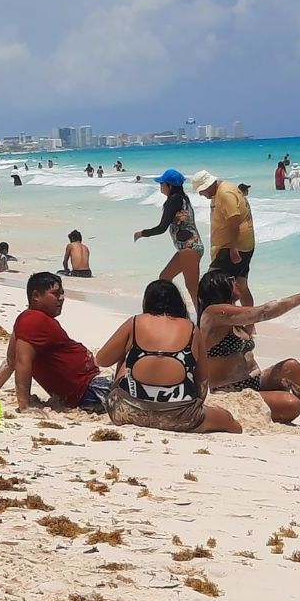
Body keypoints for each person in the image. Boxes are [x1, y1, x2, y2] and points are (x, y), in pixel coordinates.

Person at [196, 272, 300, 434]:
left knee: (291, 367)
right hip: (230, 392)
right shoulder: (213, 314)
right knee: (292, 405)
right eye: (231, 280)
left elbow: (258, 313)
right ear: (218, 287)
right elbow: (263, 312)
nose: (235, 282)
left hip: (255, 382)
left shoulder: (234, 318)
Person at [95, 280, 241, 434]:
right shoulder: (191, 329)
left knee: (126, 355)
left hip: (126, 412)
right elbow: (203, 382)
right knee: (229, 421)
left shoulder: (135, 322)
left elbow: (102, 360)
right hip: (181, 417)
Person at [0, 272, 112, 412]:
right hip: (90, 389)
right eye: (56, 294)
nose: (62, 298)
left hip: (85, 389)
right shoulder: (33, 320)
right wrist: (24, 406)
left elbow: (11, 361)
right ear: (36, 296)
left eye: (62, 293)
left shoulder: (25, 319)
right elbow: (22, 361)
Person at [134, 169, 205, 307]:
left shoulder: (174, 200)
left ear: (169, 186)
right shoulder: (182, 198)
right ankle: (175, 309)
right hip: (189, 248)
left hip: (189, 247)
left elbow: (162, 227)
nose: (160, 186)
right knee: (165, 278)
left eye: (162, 183)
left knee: (193, 289)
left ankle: (202, 322)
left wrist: (142, 233)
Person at [192, 170, 256, 310]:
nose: (201, 194)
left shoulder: (225, 193)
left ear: (208, 185)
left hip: (232, 247)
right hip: (241, 245)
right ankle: (249, 325)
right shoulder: (221, 189)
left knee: (212, 287)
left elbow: (235, 221)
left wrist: (233, 249)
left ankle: (221, 326)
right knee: (241, 285)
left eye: (201, 190)